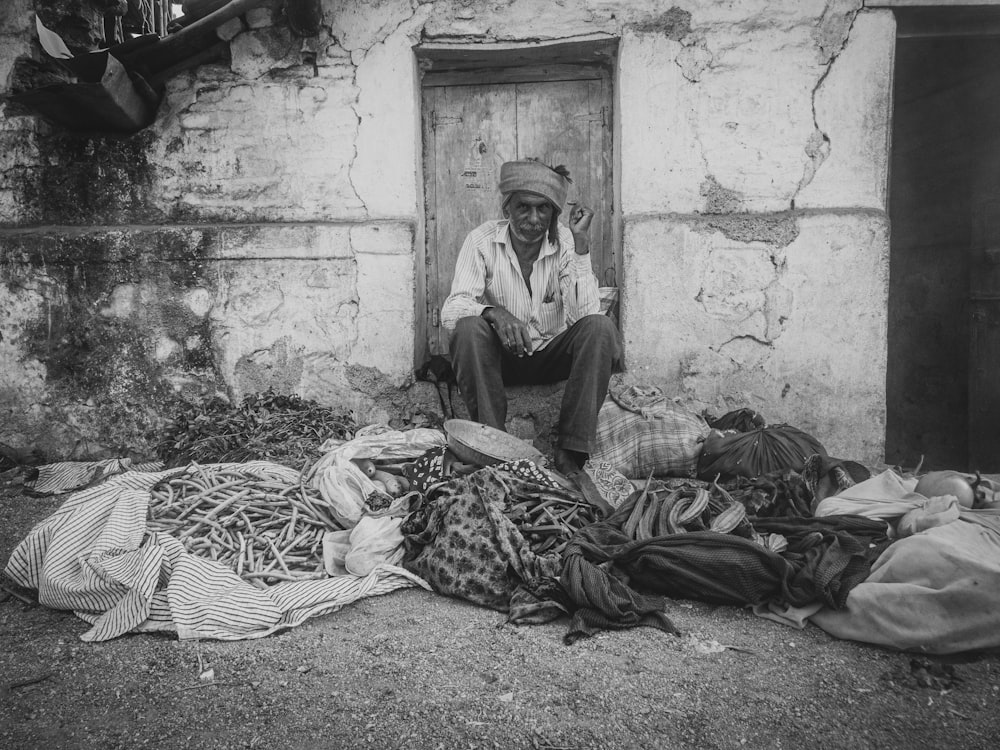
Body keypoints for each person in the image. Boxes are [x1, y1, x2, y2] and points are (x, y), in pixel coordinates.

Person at [440, 158, 622, 476]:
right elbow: (452, 310)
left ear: (553, 214)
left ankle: (571, 453)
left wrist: (581, 247)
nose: (533, 219)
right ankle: (491, 446)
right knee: (468, 327)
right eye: (524, 207)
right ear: (507, 208)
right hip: (503, 358)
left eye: (544, 209)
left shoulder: (565, 242)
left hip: (551, 355)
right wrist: (494, 313)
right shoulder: (481, 241)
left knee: (601, 327)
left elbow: (587, 314)